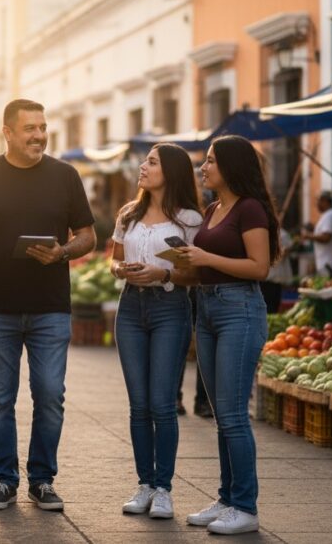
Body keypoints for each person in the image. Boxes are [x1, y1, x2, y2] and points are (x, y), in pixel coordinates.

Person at [0, 99, 96, 512]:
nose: (39, 135)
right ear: (8, 132)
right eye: (29, 128)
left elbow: (88, 235)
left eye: (43, 127)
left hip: (51, 307)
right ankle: (3, 480)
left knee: (50, 394)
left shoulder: (65, 176)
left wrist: (63, 252)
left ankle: (43, 479)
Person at [175, 135, 279, 535]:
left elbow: (259, 267)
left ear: (231, 166)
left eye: (212, 161)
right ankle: (228, 498)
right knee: (221, 414)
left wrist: (205, 257)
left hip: (240, 309)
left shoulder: (250, 209)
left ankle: (247, 508)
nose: (203, 167)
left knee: (234, 415)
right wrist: (182, 262)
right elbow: (208, 262)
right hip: (208, 309)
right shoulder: (214, 208)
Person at [109, 143, 202, 520]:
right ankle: (144, 484)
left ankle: (164, 489)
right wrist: (123, 271)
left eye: (152, 162)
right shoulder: (128, 214)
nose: (143, 167)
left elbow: (195, 273)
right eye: (145, 161)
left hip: (170, 307)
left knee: (162, 404)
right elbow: (114, 260)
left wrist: (162, 273)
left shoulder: (190, 221)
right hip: (130, 307)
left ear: (171, 171)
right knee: (138, 404)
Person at [302, 192, 332, 277]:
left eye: (318, 201)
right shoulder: (328, 215)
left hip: (329, 265)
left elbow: (326, 237)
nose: (317, 204)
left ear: (325, 201)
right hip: (327, 264)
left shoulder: (330, 215)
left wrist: (308, 236)